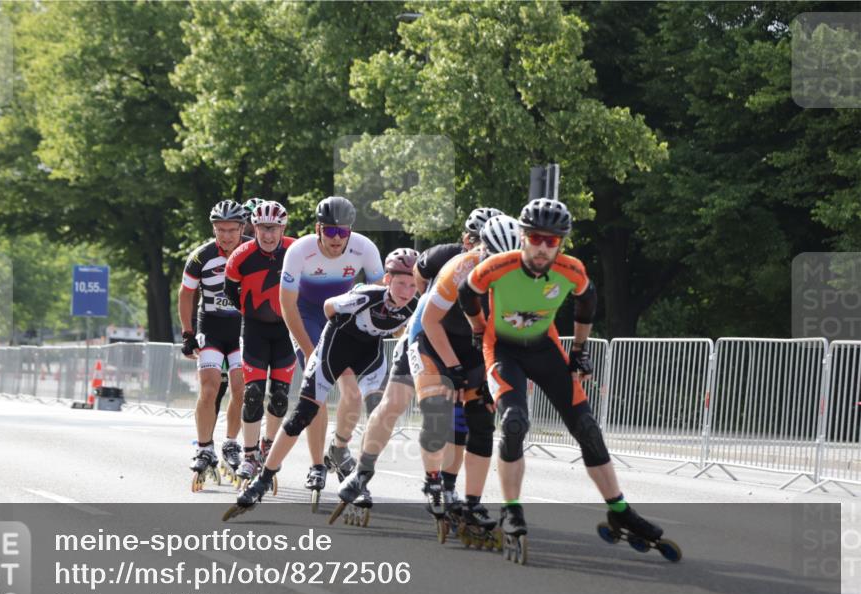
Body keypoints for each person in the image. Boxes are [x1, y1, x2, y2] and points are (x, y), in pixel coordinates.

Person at [457, 198, 668, 562]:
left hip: (545, 349)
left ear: (562, 243)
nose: (542, 247)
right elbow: (467, 294)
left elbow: (588, 301)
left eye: (552, 241)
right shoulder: (498, 265)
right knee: (514, 422)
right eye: (536, 238)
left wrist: (580, 350)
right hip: (503, 350)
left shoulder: (571, 270)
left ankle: (620, 511)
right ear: (523, 236)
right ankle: (512, 510)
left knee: (586, 427)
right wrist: (478, 329)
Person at [336, 215, 520, 542]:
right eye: (472, 241)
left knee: (470, 416)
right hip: (426, 334)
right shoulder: (447, 259)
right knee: (401, 404)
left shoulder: (515, 273)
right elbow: (423, 290)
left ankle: (449, 490)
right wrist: (449, 365)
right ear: (472, 242)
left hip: (472, 344)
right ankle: (364, 472)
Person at [224, 249, 420, 519]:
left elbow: (402, 328)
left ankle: (344, 457)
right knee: (302, 416)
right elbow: (329, 307)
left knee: (376, 411)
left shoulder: (414, 304)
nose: (407, 291)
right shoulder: (367, 295)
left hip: (368, 354)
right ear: (387, 279)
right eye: (401, 283)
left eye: (412, 284)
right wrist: (332, 342)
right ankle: (264, 480)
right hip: (335, 349)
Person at [277, 196, 384, 492]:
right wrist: (312, 353)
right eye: (330, 231)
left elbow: (382, 295)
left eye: (343, 232)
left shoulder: (365, 248)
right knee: (317, 393)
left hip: (340, 318)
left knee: (352, 392)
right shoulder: (300, 251)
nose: (337, 239)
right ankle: (315, 466)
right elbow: (287, 304)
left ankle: (338, 448)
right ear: (318, 229)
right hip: (306, 316)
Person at [179, 199, 252, 490]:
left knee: (241, 387)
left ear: (242, 228)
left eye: (231, 230)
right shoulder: (201, 256)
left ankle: (231, 444)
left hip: (243, 329)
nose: (225, 236)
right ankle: (205, 447)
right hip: (210, 326)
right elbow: (186, 294)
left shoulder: (253, 251)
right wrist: (187, 333)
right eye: (220, 230)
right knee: (209, 386)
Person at [224, 200, 297, 488]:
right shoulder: (241, 255)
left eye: (274, 229)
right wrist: (251, 314)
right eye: (263, 228)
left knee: (279, 395)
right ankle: (249, 454)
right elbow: (231, 292)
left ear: (283, 228)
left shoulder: (295, 251)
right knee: (253, 392)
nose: (268, 235)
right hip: (253, 329)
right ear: (254, 227)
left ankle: (268, 446)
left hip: (286, 331)